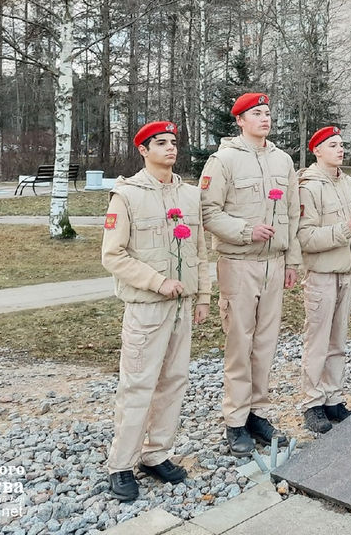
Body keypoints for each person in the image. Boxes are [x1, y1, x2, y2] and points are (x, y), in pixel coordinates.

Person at [102, 121, 211, 502]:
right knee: (138, 385)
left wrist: (203, 296)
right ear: (143, 150)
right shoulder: (127, 196)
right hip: (147, 308)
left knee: (174, 381)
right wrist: (156, 281)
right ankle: (120, 464)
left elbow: (199, 251)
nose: (170, 148)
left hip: (182, 306)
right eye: (160, 143)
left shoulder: (190, 195)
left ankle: (156, 454)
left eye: (173, 142)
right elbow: (113, 255)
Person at [198, 93, 301, 456]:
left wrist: (292, 261)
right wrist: (246, 230)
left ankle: (258, 413)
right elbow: (208, 212)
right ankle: (235, 419)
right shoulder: (223, 160)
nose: (265, 118)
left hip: (274, 263)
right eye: (256, 113)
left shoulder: (282, 160)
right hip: (239, 262)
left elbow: (293, 213)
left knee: (265, 343)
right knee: (239, 343)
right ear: (240, 120)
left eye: (267, 112)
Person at [298, 126, 351, 434]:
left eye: (341, 145)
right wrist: (343, 230)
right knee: (317, 341)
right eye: (332, 145)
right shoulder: (309, 187)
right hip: (323, 274)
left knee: (339, 340)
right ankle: (312, 402)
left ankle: (333, 397)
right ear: (317, 151)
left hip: (348, 273)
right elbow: (305, 237)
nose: (340, 150)